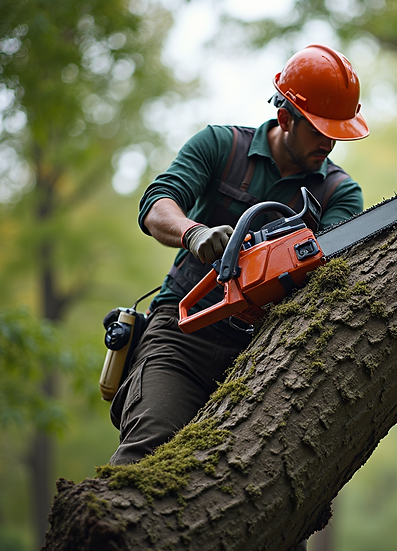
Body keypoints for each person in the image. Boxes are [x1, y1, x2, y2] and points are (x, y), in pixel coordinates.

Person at [109, 44, 369, 466]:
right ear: (285, 117)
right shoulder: (221, 146)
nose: (329, 143)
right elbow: (157, 202)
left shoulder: (339, 193)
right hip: (183, 335)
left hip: (267, 353)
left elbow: (333, 270)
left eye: (336, 133)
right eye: (319, 130)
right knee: (150, 448)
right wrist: (193, 233)